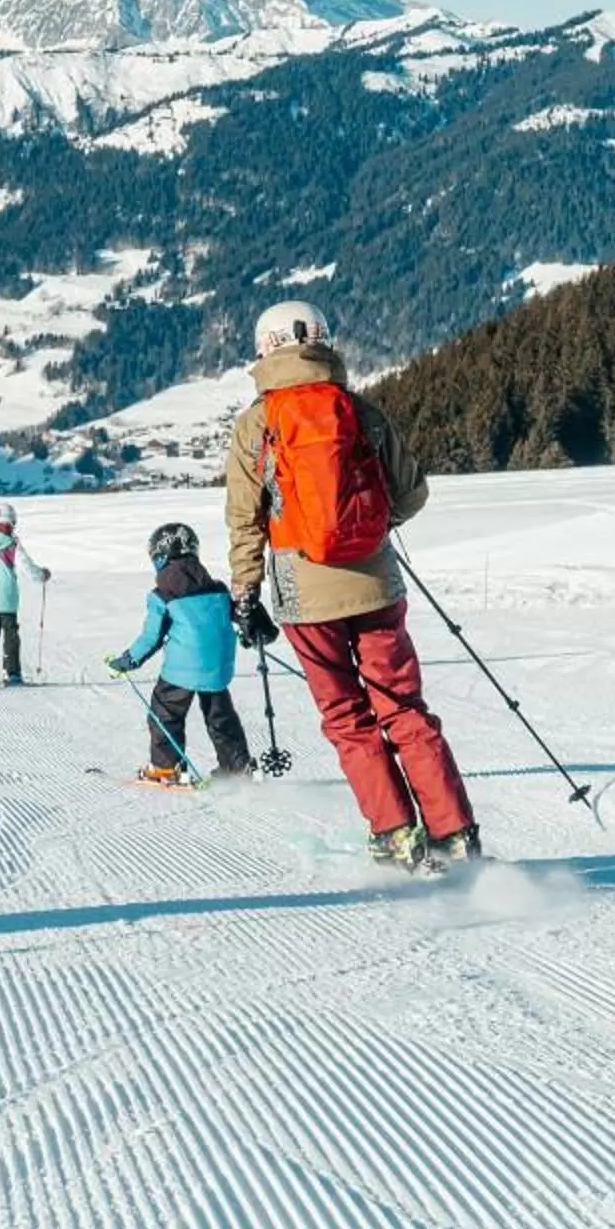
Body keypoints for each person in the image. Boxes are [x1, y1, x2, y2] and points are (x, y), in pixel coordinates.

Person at [224, 300, 482, 871]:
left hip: (303, 594)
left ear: (263, 348)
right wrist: (369, 526)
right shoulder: (359, 411)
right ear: (324, 340)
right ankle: (455, 835)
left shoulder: (255, 424)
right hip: (377, 585)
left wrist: (245, 593)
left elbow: (245, 520)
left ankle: (394, 835)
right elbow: (412, 492)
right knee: (404, 709)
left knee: (347, 717)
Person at [105, 521, 252, 782]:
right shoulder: (217, 588)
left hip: (180, 671)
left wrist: (127, 660)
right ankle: (236, 768)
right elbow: (238, 616)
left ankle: (165, 768)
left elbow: (152, 638)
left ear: (160, 558)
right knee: (221, 718)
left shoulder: (163, 594)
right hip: (218, 668)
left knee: (165, 713)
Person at [0, 500, 50, 685]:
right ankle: (12, 674)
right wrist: (43, 575)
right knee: (10, 634)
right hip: (6, 599)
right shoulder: (11, 545)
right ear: (11, 522)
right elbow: (28, 569)